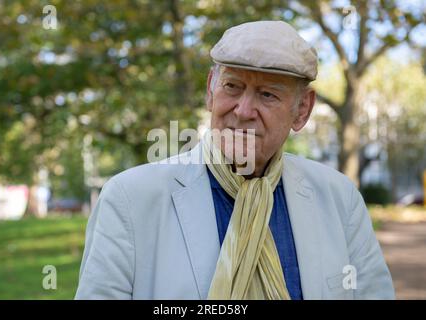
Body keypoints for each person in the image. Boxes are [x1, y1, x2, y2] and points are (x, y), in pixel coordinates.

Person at [75, 20, 395, 300]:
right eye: (232, 86)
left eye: (267, 94)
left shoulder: (339, 198)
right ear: (210, 91)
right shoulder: (130, 199)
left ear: (302, 110)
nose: (243, 111)